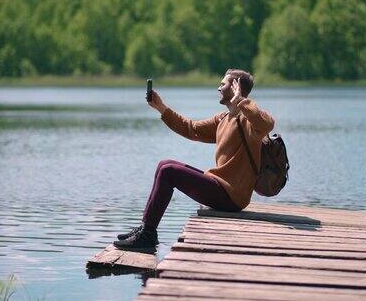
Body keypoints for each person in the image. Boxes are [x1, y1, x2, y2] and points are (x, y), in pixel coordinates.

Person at [113, 69, 275, 249]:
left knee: (169, 172)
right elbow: (191, 128)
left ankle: (148, 235)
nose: (218, 88)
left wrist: (240, 100)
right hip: (219, 186)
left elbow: (267, 123)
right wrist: (161, 107)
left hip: (232, 196)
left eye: (223, 84)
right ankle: (146, 228)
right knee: (164, 165)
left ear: (235, 86)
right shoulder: (223, 118)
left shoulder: (249, 121)